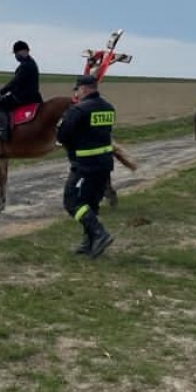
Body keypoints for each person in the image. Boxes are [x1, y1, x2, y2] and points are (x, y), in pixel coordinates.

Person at [56, 73, 116, 258]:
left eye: (77, 90)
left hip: (84, 166)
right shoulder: (109, 108)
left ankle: (99, 234)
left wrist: (63, 122)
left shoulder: (78, 110)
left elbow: (62, 136)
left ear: (84, 89)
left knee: (72, 202)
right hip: (105, 165)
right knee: (91, 203)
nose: (77, 93)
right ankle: (88, 242)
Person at [0, 40, 42, 142]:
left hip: (24, 97)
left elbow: (15, 82)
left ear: (24, 51)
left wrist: (0, 92)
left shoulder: (25, 66)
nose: (16, 56)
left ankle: (3, 131)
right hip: (32, 95)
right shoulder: (30, 63)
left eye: (17, 53)